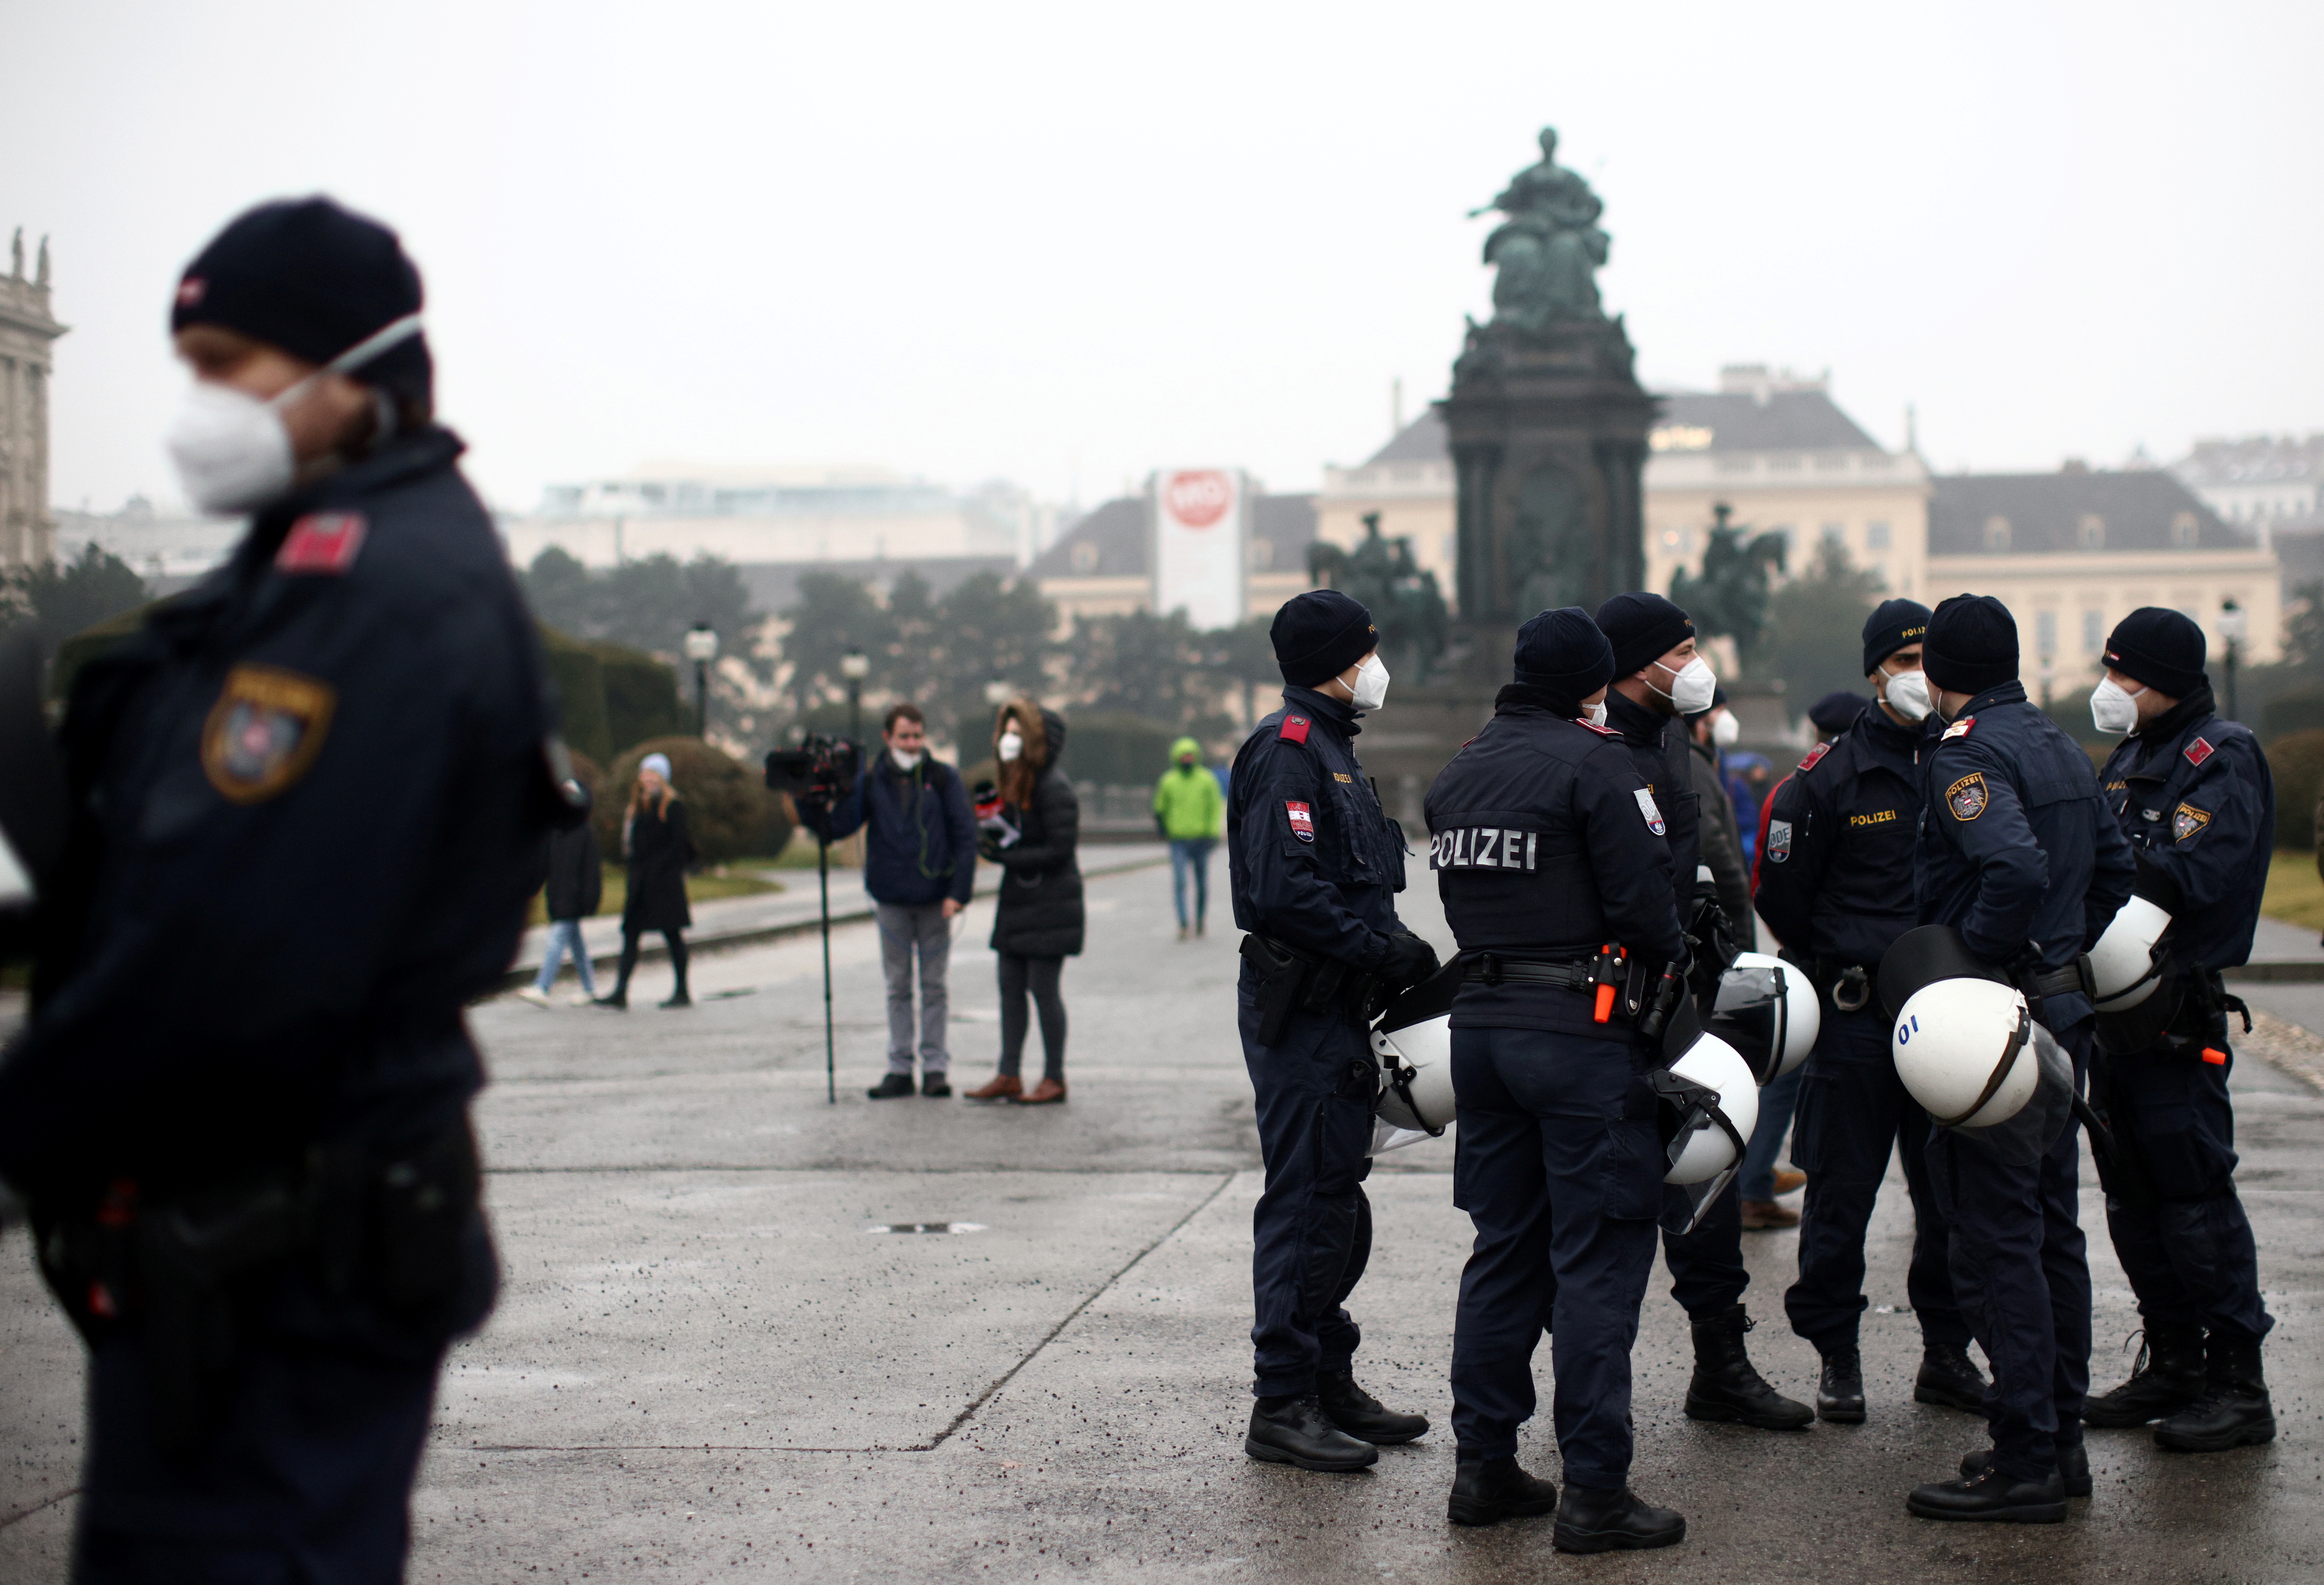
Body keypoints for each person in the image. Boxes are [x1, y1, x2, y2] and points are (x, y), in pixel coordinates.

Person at [0, 197, 559, 1579]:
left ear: (348, 366)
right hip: (250, 1234)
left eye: (232, 365)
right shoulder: (317, 552)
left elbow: (227, 942)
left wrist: (23, 1121)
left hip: (280, 1250)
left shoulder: (373, 584)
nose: (202, 404)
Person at [1431, 608, 1690, 1550]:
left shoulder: (1460, 768)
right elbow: (1647, 906)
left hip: (1484, 1027)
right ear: (1590, 682)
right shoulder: (1598, 762)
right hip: (1579, 1032)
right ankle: (1595, 1491)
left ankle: (1484, 1466)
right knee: (1597, 1258)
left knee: (1505, 1248)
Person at [1904, 593, 2134, 1523]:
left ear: (1940, 668)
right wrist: (2057, 953)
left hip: (1997, 1020)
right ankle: (2059, 1438)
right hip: (2062, 1007)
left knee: (1995, 1236)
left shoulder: (1965, 750)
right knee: (2051, 1230)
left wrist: (1980, 963)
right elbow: (2113, 871)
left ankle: (2025, 1451)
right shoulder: (2051, 740)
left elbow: (2014, 866)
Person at [1757, 600, 1987, 1423]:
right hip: (1856, 1017)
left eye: (1931, 655)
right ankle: (1836, 1354)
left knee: (1951, 1199)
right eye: (1905, 658)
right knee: (1840, 1197)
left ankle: (1947, 1351)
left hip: (1951, 1013)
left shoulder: (1967, 763)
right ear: (1875, 672)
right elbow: (1782, 895)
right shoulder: (1824, 780)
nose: (1920, 673)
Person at [1228, 589, 1438, 1472]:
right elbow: (1285, 892)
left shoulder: (1336, 753)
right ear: (1336, 661)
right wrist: (1384, 949)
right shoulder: (1289, 754)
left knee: (1338, 1202)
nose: (1376, 666)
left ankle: (1326, 1374)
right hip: (1307, 1006)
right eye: (1367, 652)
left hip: (1340, 1006)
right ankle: (1283, 1400)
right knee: (1308, 1200)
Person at [1594, 592, 1813, 1432]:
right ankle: (1653, 1389)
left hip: (1672, 995)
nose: (1696, 662)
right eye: (1680, 649)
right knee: (1674, 1194)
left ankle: (1718, 1363)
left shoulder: (1666, 745)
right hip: (1649, 1005)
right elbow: (1715, 868)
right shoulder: (1630, 752)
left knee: (1703, 1193)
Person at [2081, 609, 2276, 1451]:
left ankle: (2238, 1381)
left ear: (2166, 678)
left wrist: (2094, 868)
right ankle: (2173, 1359)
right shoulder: (2130, 758)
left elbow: (2191, 870)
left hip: (2173, 1010)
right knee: (2131, 1196)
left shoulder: (2220, 754)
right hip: (2112, 1016)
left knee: (2194, 1197)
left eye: (2126, 674)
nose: (2112, 689)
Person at [798, 703, 976, 1099]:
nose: (912, 744)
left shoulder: (943, 778)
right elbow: (839, 827)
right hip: (891, 899)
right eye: (904, 737)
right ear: (888, 738)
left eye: (917, 736)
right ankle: (900, 1066)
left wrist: (959, 893)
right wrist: (806, 798)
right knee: (898, 986)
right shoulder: (871, 780)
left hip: (935, 900)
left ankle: (935, 1067)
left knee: (934, 987)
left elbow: (966, 835)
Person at [964, 701, 1084, 1105]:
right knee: (1009, 987)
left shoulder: (1054, 787)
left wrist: (1007, 857)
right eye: (1006, 732)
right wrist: (996, 839)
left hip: (1051, 904)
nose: (1008, 740)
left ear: (1037, 740)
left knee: (1043, 989)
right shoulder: (1017, 783)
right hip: (1020, 900)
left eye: (1018, 733)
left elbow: (1059, 849)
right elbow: (1023, 836)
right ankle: (1008, 1072)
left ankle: (1054, 1076)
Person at [595, 753, 696, 1010]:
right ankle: (620, 991)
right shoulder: (638, 807)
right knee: (631, 935)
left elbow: (678, 844)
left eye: (654, 774)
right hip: (641, 883)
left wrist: (659, 868)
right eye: (646, 773)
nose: (649, 779)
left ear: (663, 777)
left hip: (664, 884)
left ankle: (682, 990)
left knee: (672, 935)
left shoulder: (673, 806)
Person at [521, 777, 602, 1007]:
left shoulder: (584, 831)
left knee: (556, 938)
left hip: (574, 897)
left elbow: (591, 870)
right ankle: (590, 988)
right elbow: (543, 864)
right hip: (558, 895)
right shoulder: (553, 831)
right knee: (575, 943)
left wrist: (590, 897)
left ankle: (542, 986)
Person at [1155, 734, 1225, 939]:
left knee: (1201, 883)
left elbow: (1215, 808)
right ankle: (1184, 922)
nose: (1187, 760)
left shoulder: (1206, 780)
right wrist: (1162, 826)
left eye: (1190, 756)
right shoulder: (1168, 781)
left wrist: (1213, 833)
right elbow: (1161, 805)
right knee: (1180, 882)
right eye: (1183, 756)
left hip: (1201, 839)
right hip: (1178, 840)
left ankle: (1201, 919)